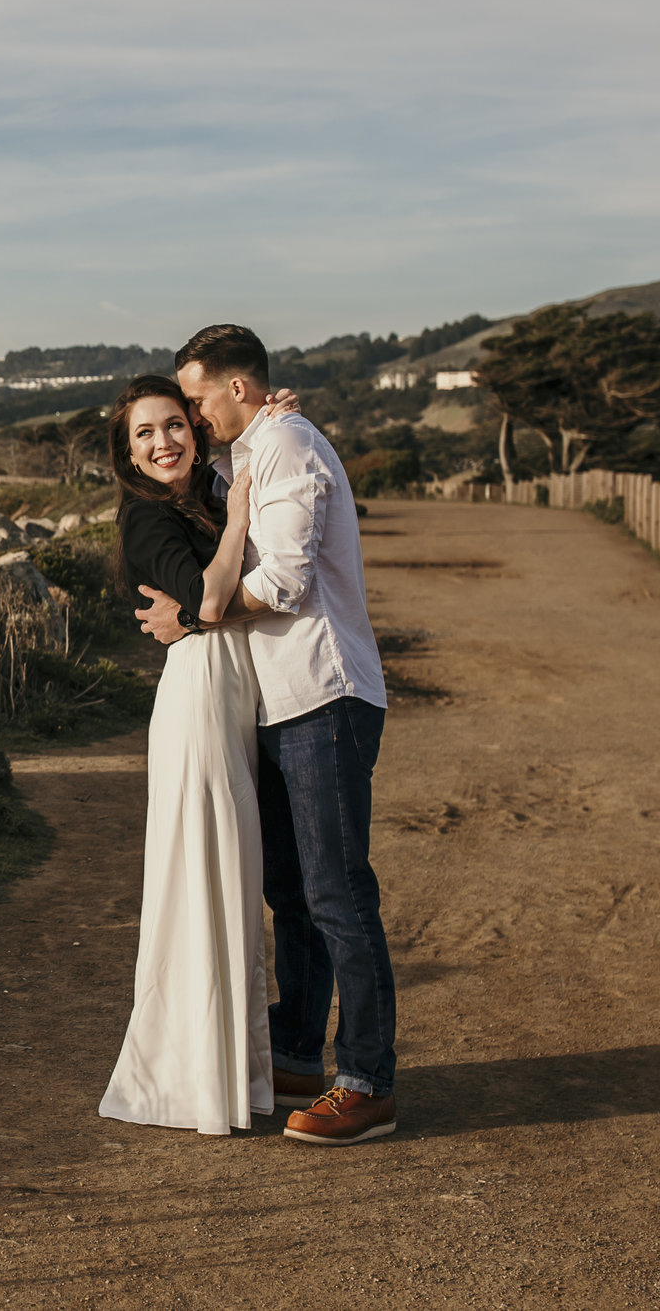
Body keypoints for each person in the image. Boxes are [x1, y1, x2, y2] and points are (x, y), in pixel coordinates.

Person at [138, 324, 396, 1147]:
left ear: (238, 389)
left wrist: (193, 615)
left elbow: (283, 583)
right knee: (292, 893)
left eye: (197, 398)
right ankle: (295, 1053)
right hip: (277, 704)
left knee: (337, 893)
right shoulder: (250, 450)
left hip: (324, 694)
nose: (189, 415)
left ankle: (365, 1081)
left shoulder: (283, 445)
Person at [95, 375, 277, 1136]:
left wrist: (271, 418)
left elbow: (202, 608)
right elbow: (205, 599)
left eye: (173, 424)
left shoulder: (202, 487)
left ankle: (233, 1074)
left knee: (234, 884)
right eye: (144, 433)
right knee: (206, 878)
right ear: (127, 452)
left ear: (196, 429)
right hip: (200, 701)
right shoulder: (146, 518)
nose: (162, 441)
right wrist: (237, 518)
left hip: (230, 692)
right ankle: (189, 1082)